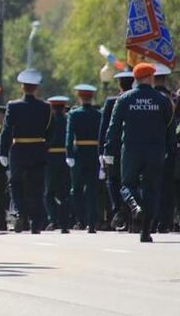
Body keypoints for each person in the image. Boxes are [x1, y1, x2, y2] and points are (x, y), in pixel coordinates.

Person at [104, 62, 175, 243]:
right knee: (151, 189)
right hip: (155, 151)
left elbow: (114, 128)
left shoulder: (125, 99)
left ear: (135, 79)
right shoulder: (162, 100)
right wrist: (169, 151)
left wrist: (108, 152)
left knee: (127, 185)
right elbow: (170, 128)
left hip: (131, 150)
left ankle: (135, 206)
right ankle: (145, 232)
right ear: (151, 78)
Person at [0, 69, 54, 234]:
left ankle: (20, 213)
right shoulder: (45, 107)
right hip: (38, 150)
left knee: (16, 184)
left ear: (22, 87)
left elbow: (7, 130)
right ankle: (36, 222)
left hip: (19, 150)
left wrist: (3, 151)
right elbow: (50, 131)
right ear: (36, 88)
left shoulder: (13, 106)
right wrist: (44, 147)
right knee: (36, 187)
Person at [98, 70, 134, 231]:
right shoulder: (135, 98)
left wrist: (101, 150)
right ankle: (129, 210)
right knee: (131, 181)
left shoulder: (112, 101)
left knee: (113, 180)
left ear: (119, 84)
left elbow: (104, 128)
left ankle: (118, 209)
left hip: (114, 148)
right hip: (132, 146)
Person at [66, 84, 102, 234]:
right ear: (92, 97)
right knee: (92, 190)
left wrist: (69, 154)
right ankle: (92, 223)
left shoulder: (74, 114)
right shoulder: (98, 114)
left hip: (79, 153)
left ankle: (81, 220)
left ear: (79, 97)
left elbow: (69, 136)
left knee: (77, 189)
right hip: (94, 153)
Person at [153, 63, 178, 233]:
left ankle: (153, 220)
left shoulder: (153, 97)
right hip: (170, 147)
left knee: (152, 185)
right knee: (168, 187)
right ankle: (166, 221)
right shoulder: (172, 98)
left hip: (152, 146)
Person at [44, 96, 71, 233]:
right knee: (64, 192)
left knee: (49, 192)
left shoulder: (48, 121)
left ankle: (53, 220)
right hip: (65, 158)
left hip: (50, 158)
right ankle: (65, 223)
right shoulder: (67, 120)